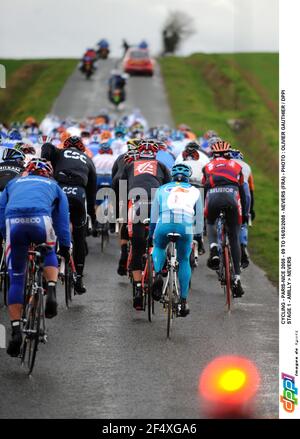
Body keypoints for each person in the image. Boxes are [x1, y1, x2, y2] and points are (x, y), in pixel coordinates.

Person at [0, 158, 71, 357]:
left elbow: (1, 210)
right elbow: (62, 220)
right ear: (47, 173)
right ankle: (51, 291)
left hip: (14, 222)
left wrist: (5, 237)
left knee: (16, 278)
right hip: (41, 219)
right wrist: (64, 246)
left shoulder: (13, 183)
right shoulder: (54, 185)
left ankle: (15, 331)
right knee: (49, 249)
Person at [118, 140, 170, 309]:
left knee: (138, 247)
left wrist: (122, 212)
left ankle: (138, 289)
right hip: (157, 205)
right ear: (155, 154)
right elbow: (168, 189)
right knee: (162, 241)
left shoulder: (130, 165)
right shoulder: (161, 166)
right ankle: (161, 271)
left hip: (138, 204)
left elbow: (121, 187)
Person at [41, 136, 97, 294]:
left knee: (49, 231)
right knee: (80, 237)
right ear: (82, 149)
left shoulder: (59, 152)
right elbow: (92, 193)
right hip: (79, 195)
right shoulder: (88, 160)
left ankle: (46, 277)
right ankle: (79, 278)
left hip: (59, 191)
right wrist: (92, 217)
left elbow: (47, 146)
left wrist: (44, 159)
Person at [150, 163, 203, 316]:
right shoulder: (194, 190)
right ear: (188, 177)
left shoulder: (161, 189)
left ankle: (159, 274)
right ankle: (184, 301)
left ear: (172, 176)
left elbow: (154, 217)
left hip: (164, 223)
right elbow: (199, 217)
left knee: (159, 247)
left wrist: (150, 236)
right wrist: (198, 235)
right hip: (185, 226)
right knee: (184, 259)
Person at [202, 141, 247, 297]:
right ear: (228, 153)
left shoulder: (207, 167)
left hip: (214, 197)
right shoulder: (236, 165)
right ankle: (237, 279)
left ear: (213, 154)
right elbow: (243, 191)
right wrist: (245, 213)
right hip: (232, 197)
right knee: (234, 237)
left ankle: (214, 248)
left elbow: (205, 188)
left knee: (209, 221)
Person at [230, 149, 255, 268]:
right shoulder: (247, 167)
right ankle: (243, 246)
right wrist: (250, 210)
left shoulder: (226, 164)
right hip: (243, 192)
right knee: (243, 220)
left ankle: (217, 249)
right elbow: (250, 190)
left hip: (228, 191)